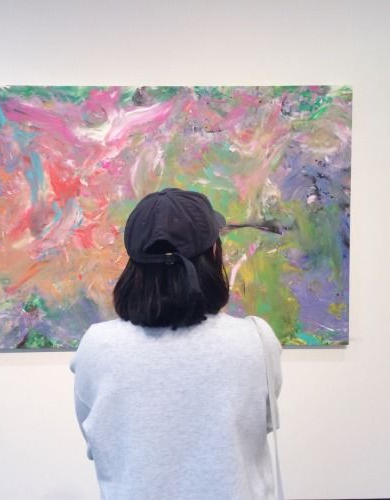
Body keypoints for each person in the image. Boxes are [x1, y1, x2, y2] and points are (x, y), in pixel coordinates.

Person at [70, 187, 283, 500]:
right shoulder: (256, 340)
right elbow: (259, 425)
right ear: (213, 255)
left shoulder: (96, 346)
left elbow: (99, 443)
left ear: (134, 266)